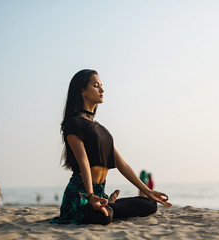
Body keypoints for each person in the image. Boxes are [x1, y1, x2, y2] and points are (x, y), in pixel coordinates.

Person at [51, 69, 171, 225]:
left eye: (101, 85)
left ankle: (110, 204)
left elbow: (122, 165)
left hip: (99, 193)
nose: (102, 90)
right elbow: (83, 162)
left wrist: (148, 191)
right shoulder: (74, 124)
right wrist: (91, 195)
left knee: (150, 204)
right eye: (96, 86)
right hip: (81, 195)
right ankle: (109, 205)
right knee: (103, 217)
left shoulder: (102, 130)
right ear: (82, 91)